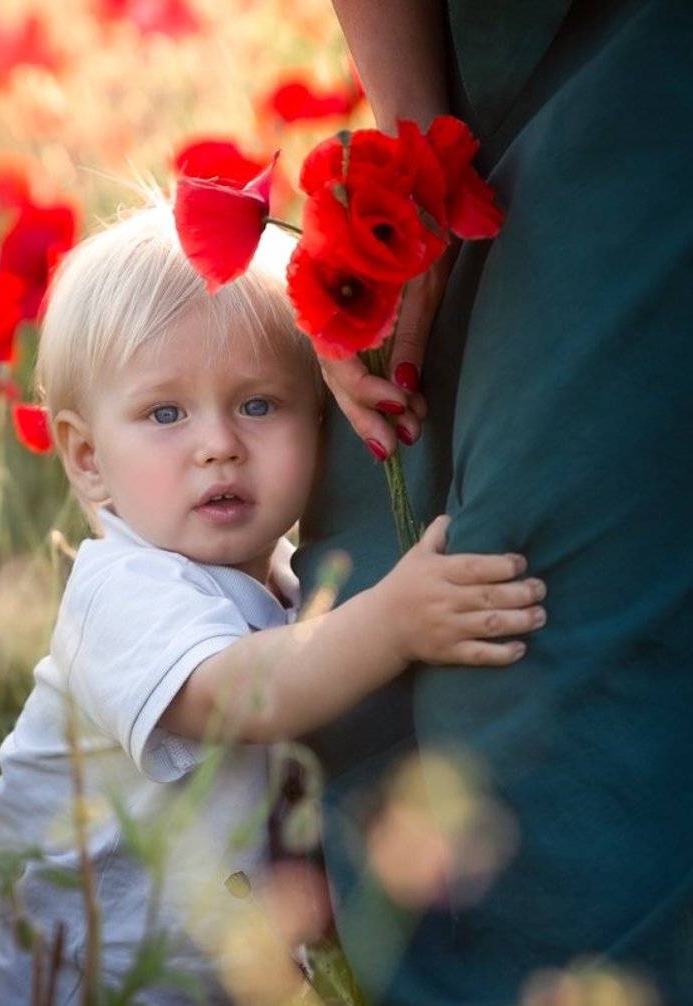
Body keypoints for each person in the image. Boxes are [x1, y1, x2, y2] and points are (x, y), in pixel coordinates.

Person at [0, 199, 547, 1004]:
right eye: (165, 413)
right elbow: (239, 697)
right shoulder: (119, 593)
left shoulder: (287, 584)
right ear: (87, 457)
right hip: (48, 979)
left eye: (258, 404)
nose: (218, 443)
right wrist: (397, 619)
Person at [298, 0, 693, 1000]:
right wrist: (416, 158)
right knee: (385, 512)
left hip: (647, 76)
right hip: (482, 82)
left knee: (530, 623)